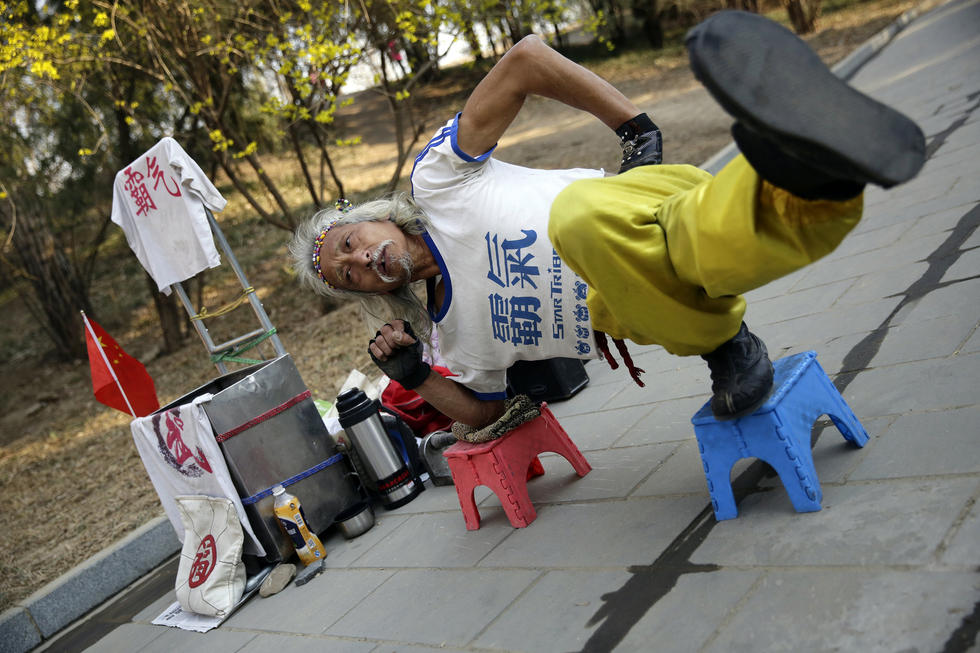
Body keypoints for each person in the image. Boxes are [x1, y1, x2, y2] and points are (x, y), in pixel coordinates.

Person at [290, 11, 925, 430]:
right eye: (346, 277)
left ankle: (730, 337)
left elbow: (525, 60)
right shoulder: (450, 336)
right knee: (702, 254)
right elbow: (485, 412)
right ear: (371, 295)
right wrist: (418, 376)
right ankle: (820, 180)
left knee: (594, 220)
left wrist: (635, 130)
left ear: (372, 219)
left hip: (642, 208)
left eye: (348, 244)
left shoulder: (437, 180)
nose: (358, 263)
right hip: (640, 307)